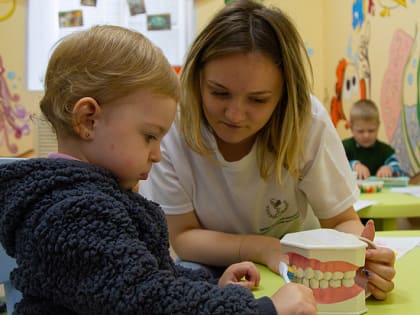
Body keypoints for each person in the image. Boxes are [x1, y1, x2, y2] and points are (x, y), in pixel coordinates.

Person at [0, 25, 317, 315]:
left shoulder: (95, 198)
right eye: (149, 136)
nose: (157, 154)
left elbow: (153, 276)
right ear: (88, 120)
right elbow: (144, 299)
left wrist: (212, 287)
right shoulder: (71, 213)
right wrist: (265, 310)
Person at [139, 0, 396, 301]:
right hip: (212, 271)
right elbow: (182, 237)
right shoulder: (172, 125)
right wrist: (263, 247)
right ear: (196, 79)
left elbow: (342, 221)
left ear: (285, 96)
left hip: (301, 272)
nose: (234, 115)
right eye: (219, 92)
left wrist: (362, 258)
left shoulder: (307, 122)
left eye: (258, 100)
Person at [342, 99, 406, 179]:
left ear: (378, 126)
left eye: (371, 130)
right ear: (351, 128)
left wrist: (389, 168)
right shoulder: (344, 147)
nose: (366, 135)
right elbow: (336, 166)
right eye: (360, 131)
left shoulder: (385, 150)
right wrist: (354, 165)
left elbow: (398, 169)